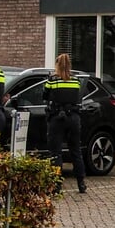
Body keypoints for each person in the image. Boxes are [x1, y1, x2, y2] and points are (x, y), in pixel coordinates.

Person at [44, 53, 87, 194]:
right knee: (76, 151)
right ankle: (81, 183)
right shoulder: (76, 81)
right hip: (73, 118)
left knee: (55, 152)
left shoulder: (53, 80)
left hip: (57, 118)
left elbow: (44, 95)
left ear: (57, 65)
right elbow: (78, 95)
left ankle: (56, 185)